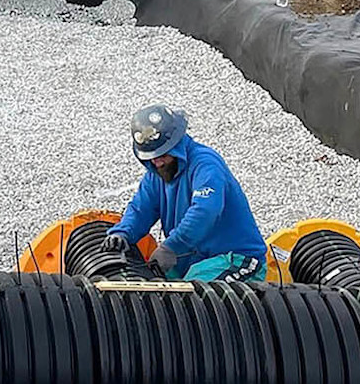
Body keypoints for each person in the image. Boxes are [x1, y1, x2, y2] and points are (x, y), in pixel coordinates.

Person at [102, 104, 267, 282]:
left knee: (195, 302)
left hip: (235, 259)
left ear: (175, 145)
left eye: (162, 155)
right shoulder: (156, 174)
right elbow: (141, 209)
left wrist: (171, 247)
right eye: (152, 158)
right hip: (191, 263)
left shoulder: (205, 165)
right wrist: (123, 233)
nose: (158, 163)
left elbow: (205, 211)